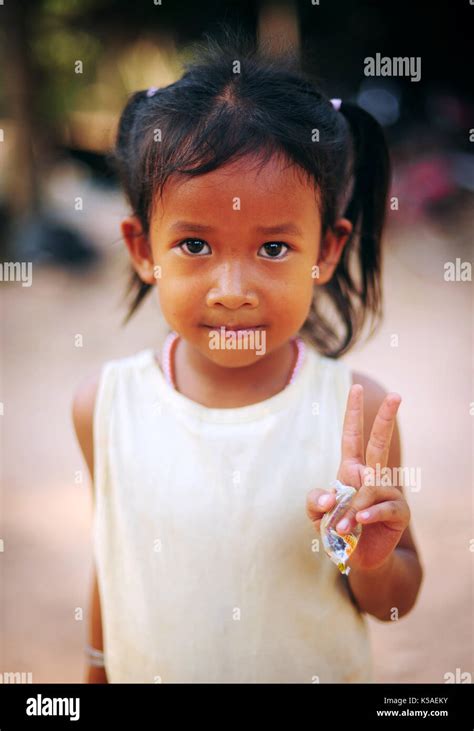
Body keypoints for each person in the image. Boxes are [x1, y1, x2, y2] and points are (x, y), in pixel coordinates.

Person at [72, 28, 423, 684]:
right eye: (196, 246)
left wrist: (370, 558)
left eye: (272, 249)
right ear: (143, 248)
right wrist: (93, 671)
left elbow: (396, 601)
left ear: (326, 250)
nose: (231, 293)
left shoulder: (356, 411)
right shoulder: (105, 405)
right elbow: (112, 558)